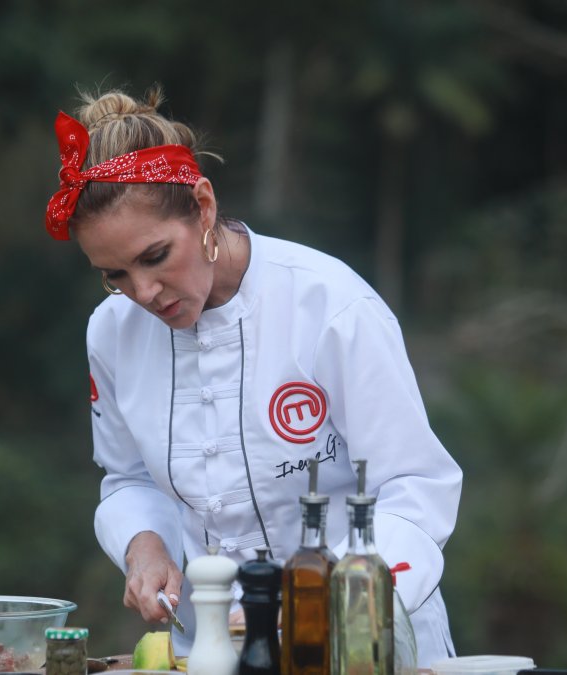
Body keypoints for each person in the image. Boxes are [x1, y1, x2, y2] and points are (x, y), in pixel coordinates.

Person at [44, 86, 462, 666]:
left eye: (155, 256)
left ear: (204, 207)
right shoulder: (112, 332)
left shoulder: (330, 305)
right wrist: (144, 546)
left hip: (360, 642)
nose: (142, 293)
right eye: (114, 275)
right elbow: (129, 479)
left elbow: (416, 489)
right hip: (212, 649)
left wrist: (324, 599)